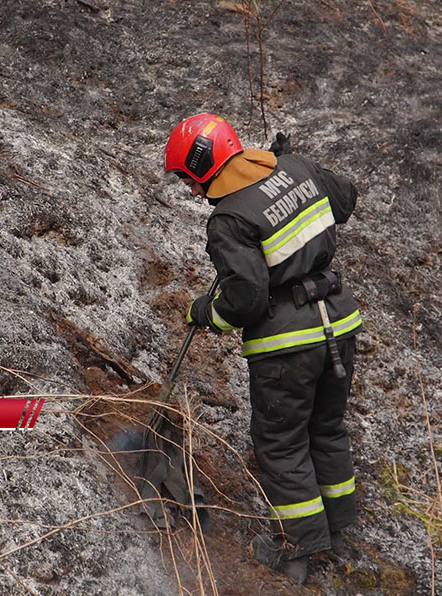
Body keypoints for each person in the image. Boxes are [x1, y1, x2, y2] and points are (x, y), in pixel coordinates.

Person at [163, 113, 363, 585]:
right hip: (339, 321)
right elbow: (345, 197)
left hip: (286, 346)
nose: (193, 192)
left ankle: (297, 550)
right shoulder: (294, 167)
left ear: (204, 166)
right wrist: (293, 166)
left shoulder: (228, 220)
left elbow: (246, 301)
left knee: (281, 443)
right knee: (327, 427)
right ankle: (336, 529)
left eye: (189, 180)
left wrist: (205, 311)